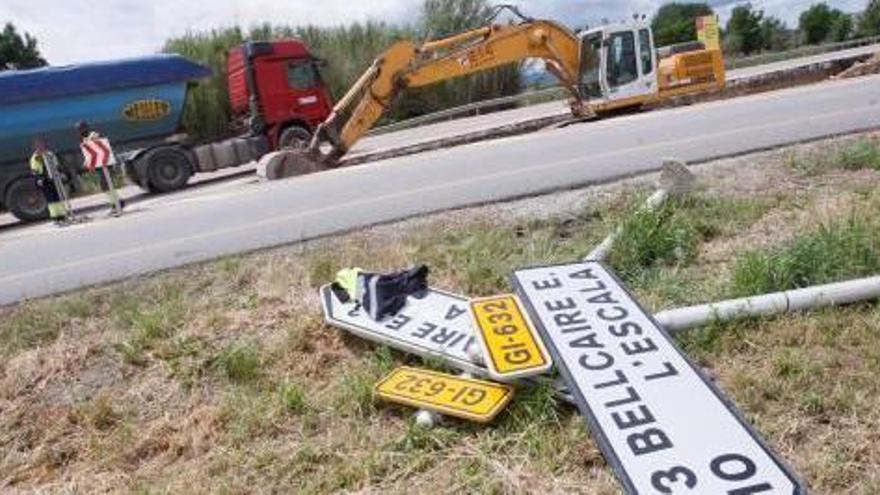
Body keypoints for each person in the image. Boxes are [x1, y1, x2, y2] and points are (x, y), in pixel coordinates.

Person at [77, 121, 124, 216]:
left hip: (105, 164)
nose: (80, 131)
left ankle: (117, 203)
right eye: (79, 129)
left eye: (81, 128)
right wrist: (87, 163)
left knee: (106, 184)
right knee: (105, 185)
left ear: (86, 127)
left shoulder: (94, 135)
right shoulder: (85, 139)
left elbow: (102, 148)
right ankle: (117, 202)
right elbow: (90, 153)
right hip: (99, 165)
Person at [29, 138, 69, 225]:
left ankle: (62, 215)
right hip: (44, 181)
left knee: (58, 197)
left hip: (54, 179)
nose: (41, 147)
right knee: (51, 200)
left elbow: (56, 165)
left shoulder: (50, 154)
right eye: (38, 146)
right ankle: (55, 217)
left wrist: (61, 174)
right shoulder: (35, 158)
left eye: (42, 145)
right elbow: (35, 171)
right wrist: (39, 179)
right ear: (35, 147)